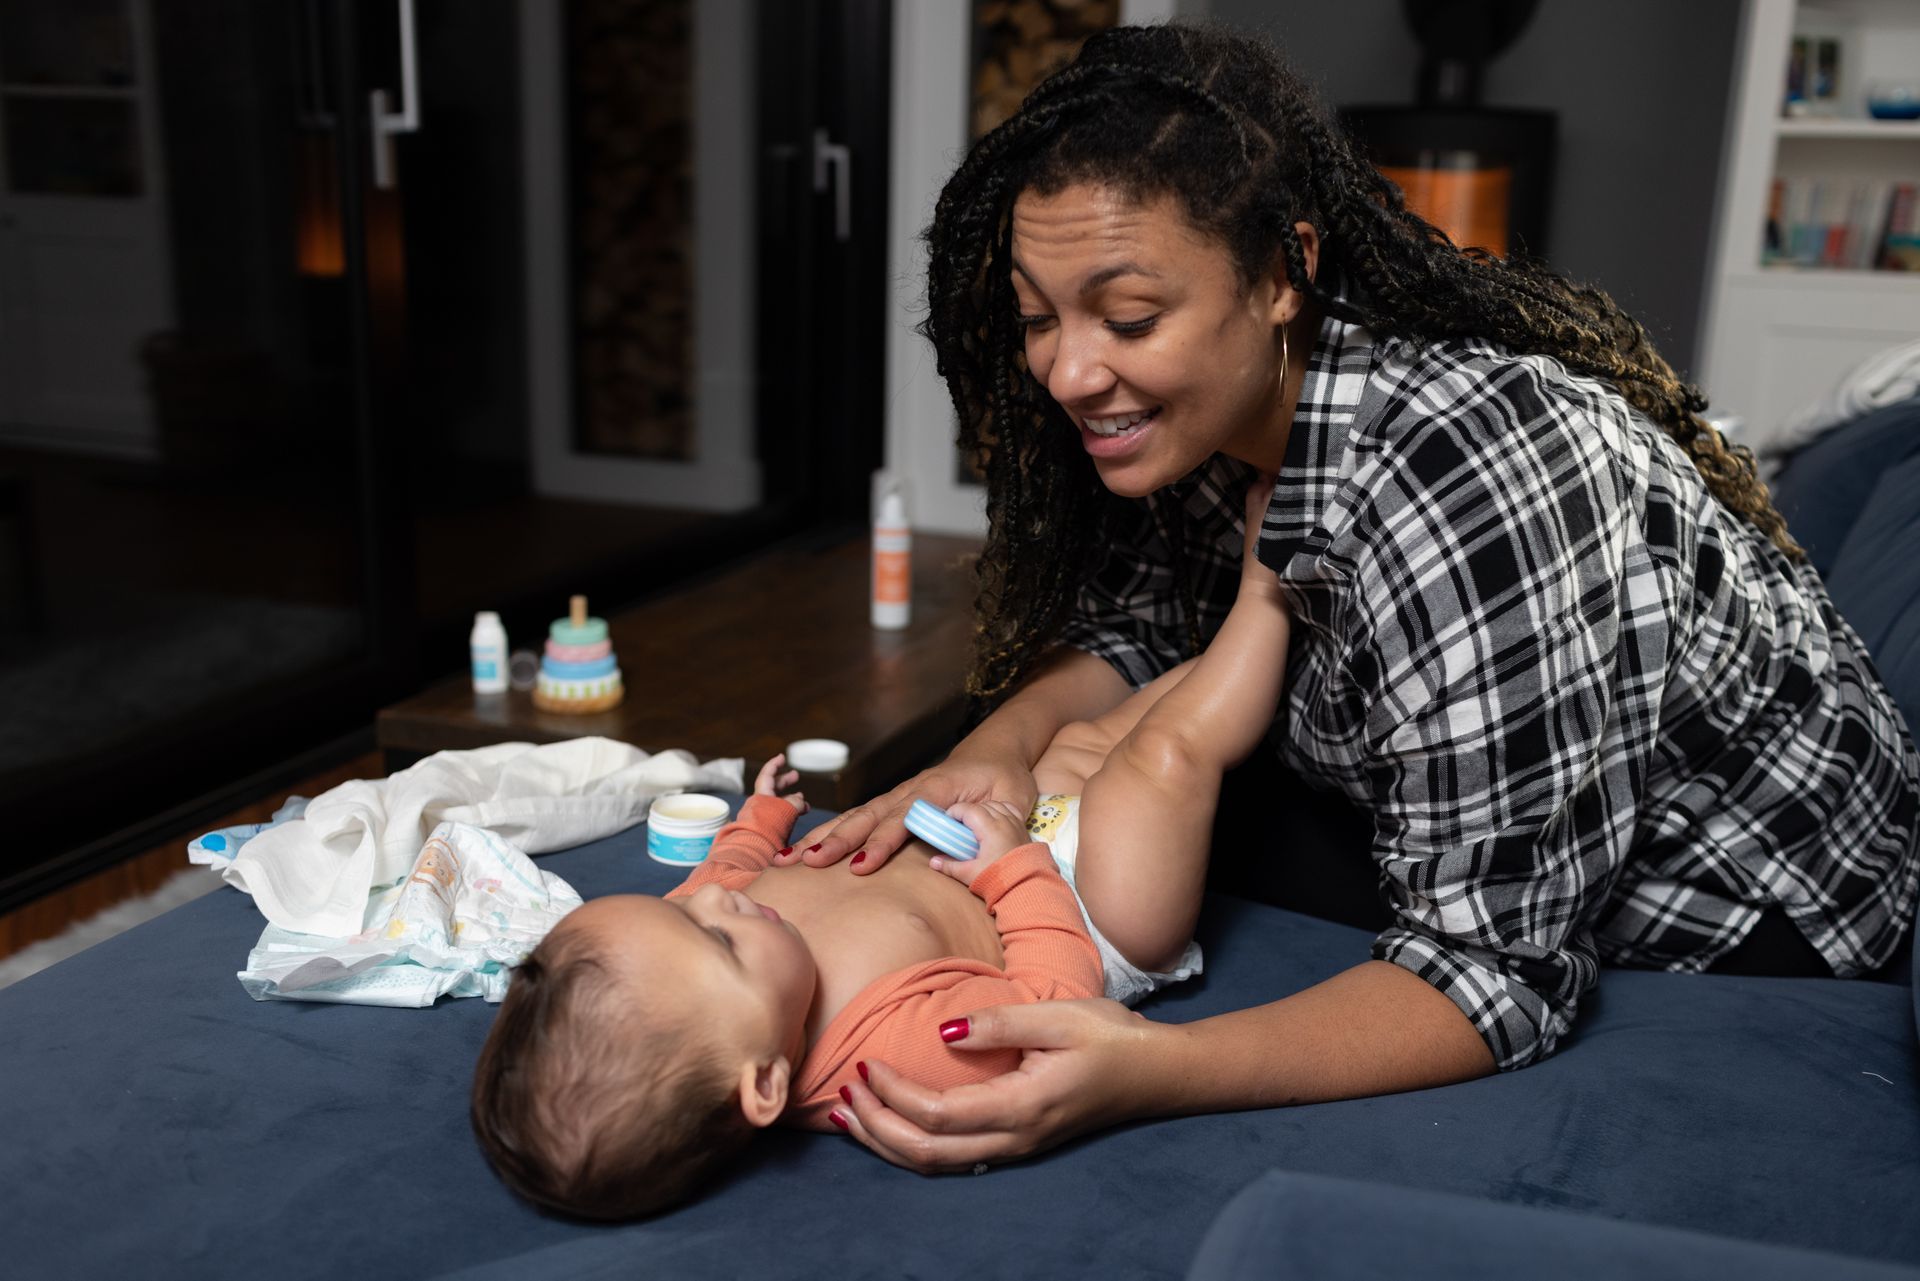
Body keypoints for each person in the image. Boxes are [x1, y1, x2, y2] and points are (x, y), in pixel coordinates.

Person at [799, 22, 1920, 1174]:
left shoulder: (1473, 479)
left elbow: (1496, 974)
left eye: (1129, 319)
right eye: (1040, 319)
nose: (1071, 373)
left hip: (1752, 911)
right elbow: (1130, 629)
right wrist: (990, 750)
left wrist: (1144, 1069)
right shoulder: (1213, 415)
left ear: (1284, 274)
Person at [468, 498, 1293, 1219]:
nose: (709, 902)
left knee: (1090, 737)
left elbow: (721, 876)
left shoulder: (709, 936)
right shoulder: (885, 1060)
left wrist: (761, 819)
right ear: (763, 1085)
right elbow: (1050, 1000)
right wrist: (1015, 872)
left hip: (1007, 830)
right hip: (1088, 902)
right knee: (1166, 758)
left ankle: (1254, 653)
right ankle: (1273, 593)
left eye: (673, 907)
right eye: (714, 939)